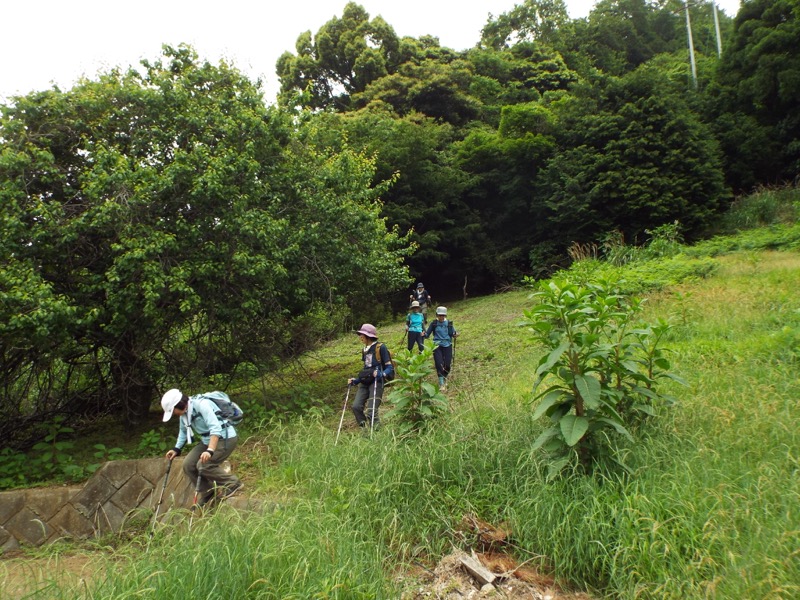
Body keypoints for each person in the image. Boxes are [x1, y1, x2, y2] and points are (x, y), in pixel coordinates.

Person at [162, 389, 243, 507]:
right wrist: (176, 449)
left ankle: (233, 483)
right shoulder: (184, 414)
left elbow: (215, 429)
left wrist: (210, 451)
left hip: (225, 438)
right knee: (188, 465)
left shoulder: (201, 405)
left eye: (173, 411)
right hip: (207, 440)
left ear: (179, 405)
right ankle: (208, 492)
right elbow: (183, 432)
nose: (174, 414)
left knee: (203, 465)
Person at [347, 324, 394, 430]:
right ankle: (364, 430)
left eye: (362, 334)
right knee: (356, 407)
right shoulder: (364, 350)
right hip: (365, 382)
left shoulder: (380, 347)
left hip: (377, 382)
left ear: (368, 336)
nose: (360, 336)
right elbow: (366, 369)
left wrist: (382, 374)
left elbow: (389, 367)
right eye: (360, 334)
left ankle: (377, 433)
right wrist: (356, 380)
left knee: (371, 410)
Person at [425, 306, 458, 389]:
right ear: (437, 315)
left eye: (443, 315)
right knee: (439, 364)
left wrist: (455, 334)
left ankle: (444, 377)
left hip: (447, 345)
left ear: (445, 315)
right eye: (440, 315)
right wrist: (423, 334)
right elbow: (427, 334)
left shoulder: (449, 323)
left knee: (447, 364)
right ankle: (441, 383)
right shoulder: (434, 323)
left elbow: (453, 333)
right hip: (437, 346)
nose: (441, 317)